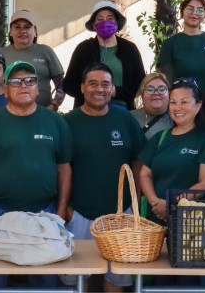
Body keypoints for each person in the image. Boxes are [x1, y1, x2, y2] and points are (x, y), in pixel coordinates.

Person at [0, 61, 70, 288]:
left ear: (37, 89)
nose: (23, 85)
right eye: (15, 81)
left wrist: (61, 212)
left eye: (29, 80)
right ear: (5, 90)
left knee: (45, 282)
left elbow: (64, 169)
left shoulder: (55, 121)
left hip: (44, 216)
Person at [61, 63, 144, 292]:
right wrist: (66, 209)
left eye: (105, 84)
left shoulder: (125, 119)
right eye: (93, 83)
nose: (99, 89)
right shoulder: (67, 123)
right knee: (78, 280)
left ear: (112, 88)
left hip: (121, 216)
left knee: (116, 279)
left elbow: (138, 162)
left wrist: (134, 205)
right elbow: (60, 168)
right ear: (82, 88)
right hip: (79, 214)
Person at [138, 78, 205, 226]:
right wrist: (155, 203)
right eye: (173, 102)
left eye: (184, 102)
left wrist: (172, 205)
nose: (177, 107)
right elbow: (145, 174)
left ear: (198, 106)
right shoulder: (160, 137)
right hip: (154, 220)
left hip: (190, 223)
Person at [64, 1, 145, 110]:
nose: (105, 22)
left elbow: (141, 83)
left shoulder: (129, 49)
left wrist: (116, 91)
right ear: (94, 25)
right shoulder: (84, 49)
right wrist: (90, 91)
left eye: (110, 19)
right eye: (100, 19)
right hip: (88, 110)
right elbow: (68, 85)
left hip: (121, 110)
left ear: (116, 24)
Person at [157, 0, 205, 92]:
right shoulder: (169, 44)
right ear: (182, 13)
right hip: (181, 100)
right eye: (190, 9)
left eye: (200, 10)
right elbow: (167, 82)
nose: (194, 13)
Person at [0, 10, 65, 110]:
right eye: (17, 27)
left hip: (43, 113)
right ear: (11, 31)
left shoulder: (46, 51)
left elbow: (61, 84)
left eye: (27, 27)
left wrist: (54, 105)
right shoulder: (0, 54)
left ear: (35, 31)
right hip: (8, 113)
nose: (22, 31)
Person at [130, 73, 174, 140]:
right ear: (142, 94)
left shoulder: (177, 119)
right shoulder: (129, 118)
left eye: (162, 89)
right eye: (150, 89)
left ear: (169, 93)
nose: (156, 93)